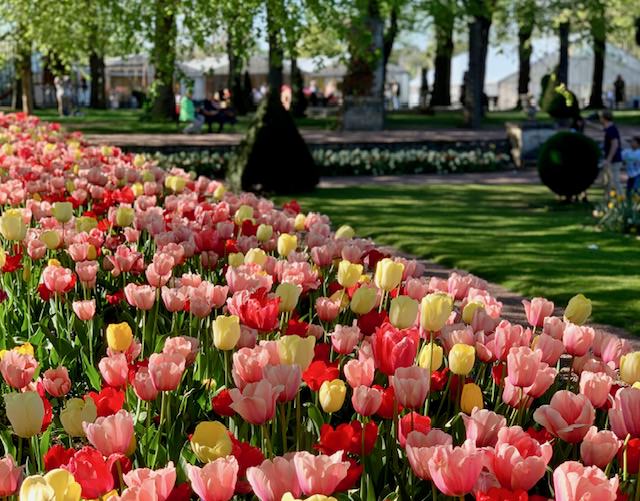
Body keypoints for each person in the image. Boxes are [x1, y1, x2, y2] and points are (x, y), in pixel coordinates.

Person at [600, 109, 623, 196]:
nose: (600, 120)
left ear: (604, 118)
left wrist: (608, 159)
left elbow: (615, 144)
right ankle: (607, 201)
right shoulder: (609, 129)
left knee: (615, 181)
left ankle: (622, 201)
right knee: (607, 182)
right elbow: (601, 129)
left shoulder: (611, 130)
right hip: (611, 159)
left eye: (601, 118)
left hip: (614, 160)